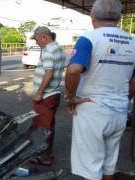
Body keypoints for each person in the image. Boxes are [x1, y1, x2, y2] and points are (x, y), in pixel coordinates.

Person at [65, 0, 135, 179]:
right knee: (109, 163)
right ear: (119, 17)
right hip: (119, 111)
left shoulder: (89, 38)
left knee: (90, 167)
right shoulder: (132, 41)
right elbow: (133, 80)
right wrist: (124, 100)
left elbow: (73, 70)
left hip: (93, 110)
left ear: (92, 16)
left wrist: (71, 97)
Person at [28, 26, 66, 165]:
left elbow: (48, 72)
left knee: (44, 127)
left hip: (46, 95)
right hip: (53, 93)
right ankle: (47, 153)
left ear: (44, 37)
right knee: (49, 125)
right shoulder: (58, 49)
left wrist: (39, 93)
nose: (36, 42)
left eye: (37, 39)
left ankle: (45, 157)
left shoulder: (48, 51)